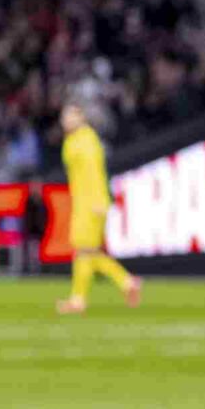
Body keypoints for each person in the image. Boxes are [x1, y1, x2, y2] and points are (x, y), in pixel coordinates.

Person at [55, 102, 142, 314]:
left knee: (84, 250)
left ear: (81, 118)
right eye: (64, 116)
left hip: (91, 203)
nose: (65, 120)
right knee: (86, 251)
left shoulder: (86, 140)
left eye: (70, 115)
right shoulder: (75, 139)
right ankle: (125, 282)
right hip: (82, 202)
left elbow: (96, 173)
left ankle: (81, 299)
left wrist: (99, 201)